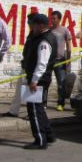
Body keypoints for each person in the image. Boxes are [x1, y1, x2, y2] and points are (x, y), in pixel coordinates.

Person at [23, 13, 57, 149]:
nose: (32, 27)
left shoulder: (44, 41)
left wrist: (34, 80)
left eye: (34, 25)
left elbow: (42, 63)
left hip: (39, 80)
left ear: (41, 26)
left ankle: (40, 140)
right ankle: (49, 134)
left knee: (33, 110)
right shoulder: (41, 37)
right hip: (39, 78)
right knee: (39, 108)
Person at [3, 12, 38, 118]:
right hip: (25, 65)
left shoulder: (39, 36)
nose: (28, 24)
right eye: (28, 22)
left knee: (32, 91)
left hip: (33, 67)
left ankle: (32, 113)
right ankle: (13, 111)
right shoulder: (31, 34)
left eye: (30, 22)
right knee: (19, 89)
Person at [49, 11, 72, 111]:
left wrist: (68, 59)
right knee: (46, 82)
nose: (52, 20)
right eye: (51, 18)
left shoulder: (64, 30)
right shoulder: (49, 30)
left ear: (59, 19)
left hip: (60, 61)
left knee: (61, 83)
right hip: (49, 61)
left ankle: (60, 103)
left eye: (54, 18)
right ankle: (43, 103)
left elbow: (69, 45)